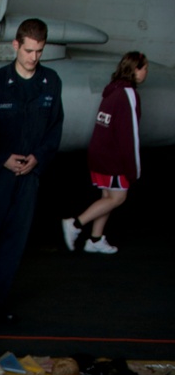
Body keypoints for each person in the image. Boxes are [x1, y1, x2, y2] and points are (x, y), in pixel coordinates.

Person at [0, 18, 63, 315]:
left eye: (39, 51)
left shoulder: (51, 82)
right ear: (16, 46)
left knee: (14, 243)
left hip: (29, 176)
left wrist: (37, 158)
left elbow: (54, 128)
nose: (33, 57)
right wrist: (2, 158)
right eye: (29, 50)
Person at [63, 51, 148, 256]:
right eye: (144, 68)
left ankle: (95, 239)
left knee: (107, 196)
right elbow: (131, 136)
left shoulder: (112, 90)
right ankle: (75, 223)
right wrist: (134, 170)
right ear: (135, 69)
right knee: (117, 198)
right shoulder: (128, 94)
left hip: (99, 155)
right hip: (113, 159)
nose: (146, 73)